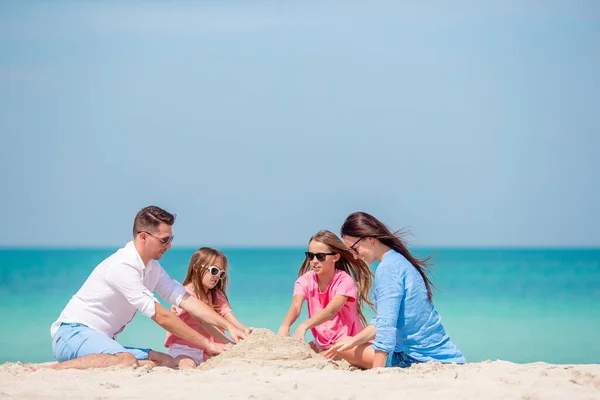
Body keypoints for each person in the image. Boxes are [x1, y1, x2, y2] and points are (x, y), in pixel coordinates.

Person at [46, 206, 247, 370]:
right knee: (125, 360)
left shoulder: (152, 268)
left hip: (100, 340)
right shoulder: (123, 266)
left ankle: (81, 363)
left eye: (171, 239)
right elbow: (162, 316)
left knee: (167, 362)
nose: (169, 246)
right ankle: (46, 370)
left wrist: (230, 327)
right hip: (72, 334)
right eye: (164, 240)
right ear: (143, 237)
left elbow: (186, 300)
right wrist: (208, 344)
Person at [323, 212, 465, 369]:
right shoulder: (398, 260)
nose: (355, 256)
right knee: (345, 342)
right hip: (444, 353)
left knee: (342, 346)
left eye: (355, 249)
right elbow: (385, 320)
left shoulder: (387, 269)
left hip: (414, 357)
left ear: (370, 239)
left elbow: (386, 325)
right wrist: (354, 340)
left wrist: (378, 371)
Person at [278, 230, 374, 353]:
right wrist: (285, 326)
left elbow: (331, 311)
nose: (314, 261)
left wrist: (304, 325)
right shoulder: (304, 281)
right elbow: (296, 307)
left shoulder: (344, 281)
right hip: (321, 343)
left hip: (350, 343)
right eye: (310, 256)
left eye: (320, 256)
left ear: (335, 257)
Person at [165, 247, 252, 369]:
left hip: (212, 349)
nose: (217, 277)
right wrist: (230, 343)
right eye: (214, 271)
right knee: (187, 365)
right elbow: (203, 322)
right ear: (197, 268)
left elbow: (227, 314)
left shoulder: (217, 294)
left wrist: (245, 331)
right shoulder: (185, 294)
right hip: (185, 348)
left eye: (221, 274)